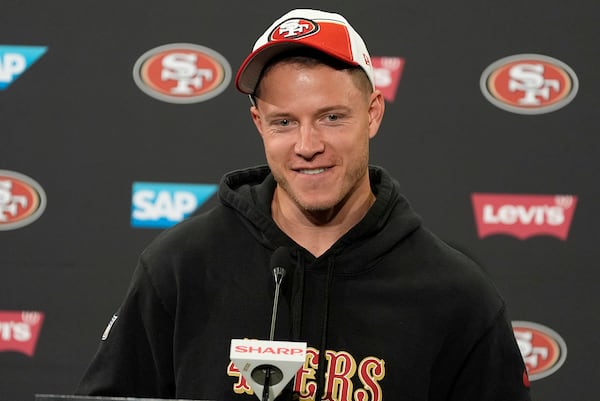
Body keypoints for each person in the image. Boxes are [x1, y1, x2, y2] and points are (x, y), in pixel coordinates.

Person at [75, 8, 532, 401]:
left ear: (372, 113)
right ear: (258, 123)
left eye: (331, 118)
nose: (307, 145)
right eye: (284, 122)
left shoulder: (456, 295)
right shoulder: (180, 267)